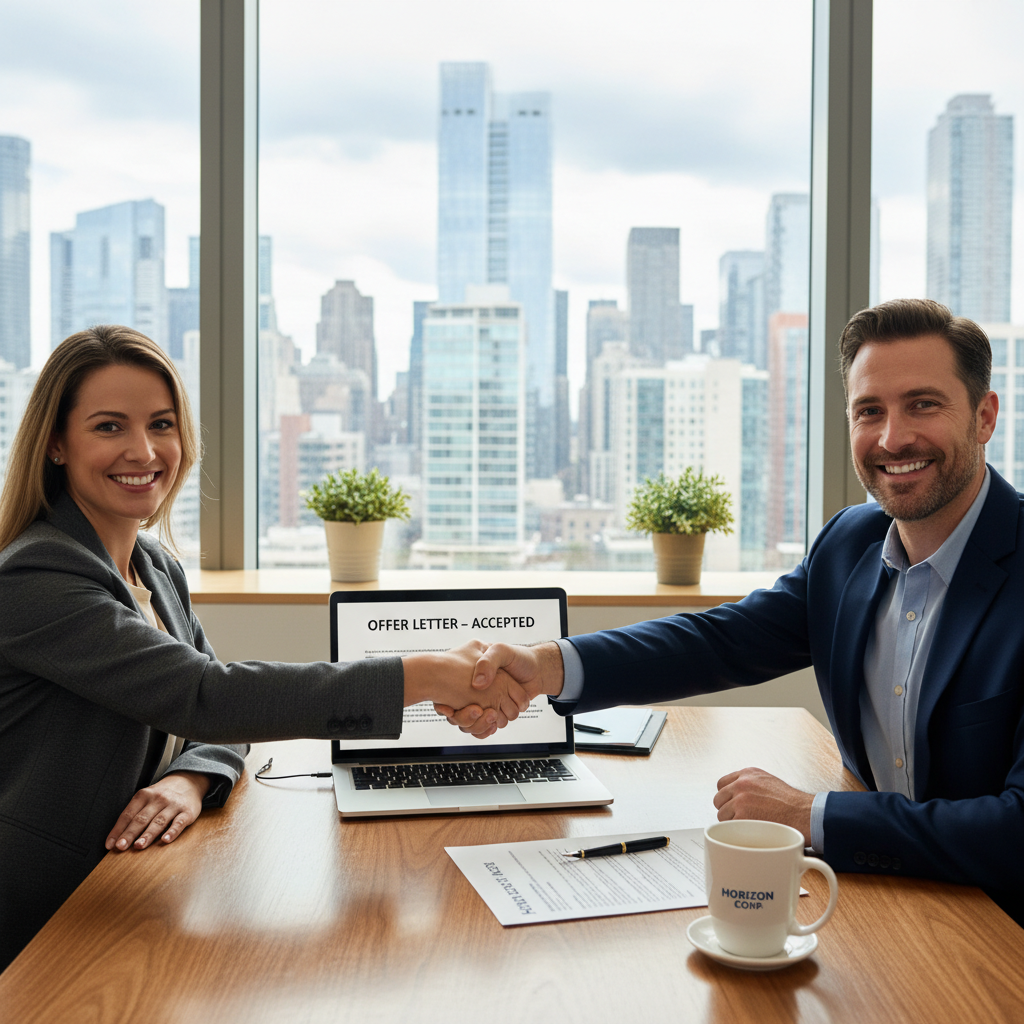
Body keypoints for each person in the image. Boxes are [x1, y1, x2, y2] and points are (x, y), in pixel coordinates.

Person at [441, 298, 1024, 925]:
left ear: (985, 416)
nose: (892, 438)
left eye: (924, 404)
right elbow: (721, 641)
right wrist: (549, 667)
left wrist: (811, 815)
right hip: (892, 903)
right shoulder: (849, 545)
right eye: (869, 411)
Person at [0, 325, 523, 970]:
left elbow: (214, 707)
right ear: (55, 443)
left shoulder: (153, 566)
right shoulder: (35, 579)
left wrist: (193, 778)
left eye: (161, 424)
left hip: (135, 888)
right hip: (45, 915)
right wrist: (424, 675)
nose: (143, 450)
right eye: (109, 426)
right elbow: (209, 698)